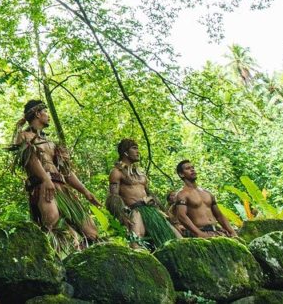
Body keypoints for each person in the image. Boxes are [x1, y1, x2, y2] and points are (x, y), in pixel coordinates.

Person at [10, 99, 101, 250]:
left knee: (89, 229)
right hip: (42, 186)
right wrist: (46, 180)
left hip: (62, 188)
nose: (48, 115)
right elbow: (31, 160)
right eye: (45, 112)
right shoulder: (24, 136)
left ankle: (88, 254)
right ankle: (54, 257)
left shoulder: (52, 143)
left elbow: (66, 172)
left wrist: (85, 191)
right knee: (52, 220)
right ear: (38, 114)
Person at [106, 139, 180, 249]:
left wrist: (158, 207)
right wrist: (123, 216)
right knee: (136, 241)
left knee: (177, 238)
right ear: (125, 152)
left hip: (151, 210)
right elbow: (114, 197)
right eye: (134, 148)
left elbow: (147, 192)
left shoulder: (141, 174)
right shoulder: (117, 172)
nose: (138, 151)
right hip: (136, 211)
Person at [174, 160, 238, 238]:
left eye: (193, 167)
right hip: (200, 233)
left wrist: (232, 232)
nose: (192, 169)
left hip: (217, 232)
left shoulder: (207, 193)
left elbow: (219, 216)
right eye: (188, 168)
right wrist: (199, 233)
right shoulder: (182, 194)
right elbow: (181, 216)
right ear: (181, 174)